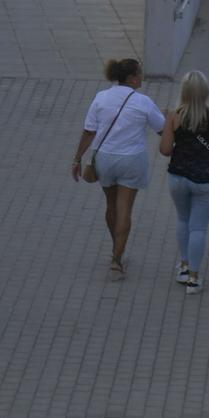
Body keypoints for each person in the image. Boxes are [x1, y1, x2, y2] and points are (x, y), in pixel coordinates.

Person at [74, 58, 167, 280]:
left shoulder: (101, 97)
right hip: (132, 161)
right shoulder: (143, 101)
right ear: (132, 77)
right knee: (124, 208)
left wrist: (77, 159)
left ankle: (116, 246)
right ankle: (117, 259)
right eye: (140, 73)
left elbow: (89, 131)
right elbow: (162, 129)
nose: (142, 77)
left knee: (111, 206)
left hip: (105, 159)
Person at [159, 71, 209, 294]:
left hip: (178, 176)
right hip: (206, 179)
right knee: (198, 227)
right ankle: (194, 278)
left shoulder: (174, 116)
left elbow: (165, 150)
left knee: (183, 219)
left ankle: (184, 264)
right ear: (205, 92)